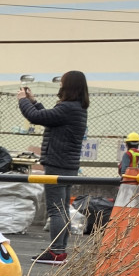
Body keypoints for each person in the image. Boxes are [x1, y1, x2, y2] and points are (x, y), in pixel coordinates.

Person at [17, 70, 89, 264]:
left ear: (69, 86)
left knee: (56, 209)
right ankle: (59, 249)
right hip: (68, 164)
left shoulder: (68, 108)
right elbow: (46, 116)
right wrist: (33, 101)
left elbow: (35, 117)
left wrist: (23, 100)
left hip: (58, 164)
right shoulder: (76, 107)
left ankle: (57, 251)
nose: (60, 86)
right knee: (62, 208)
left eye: (62, 83)